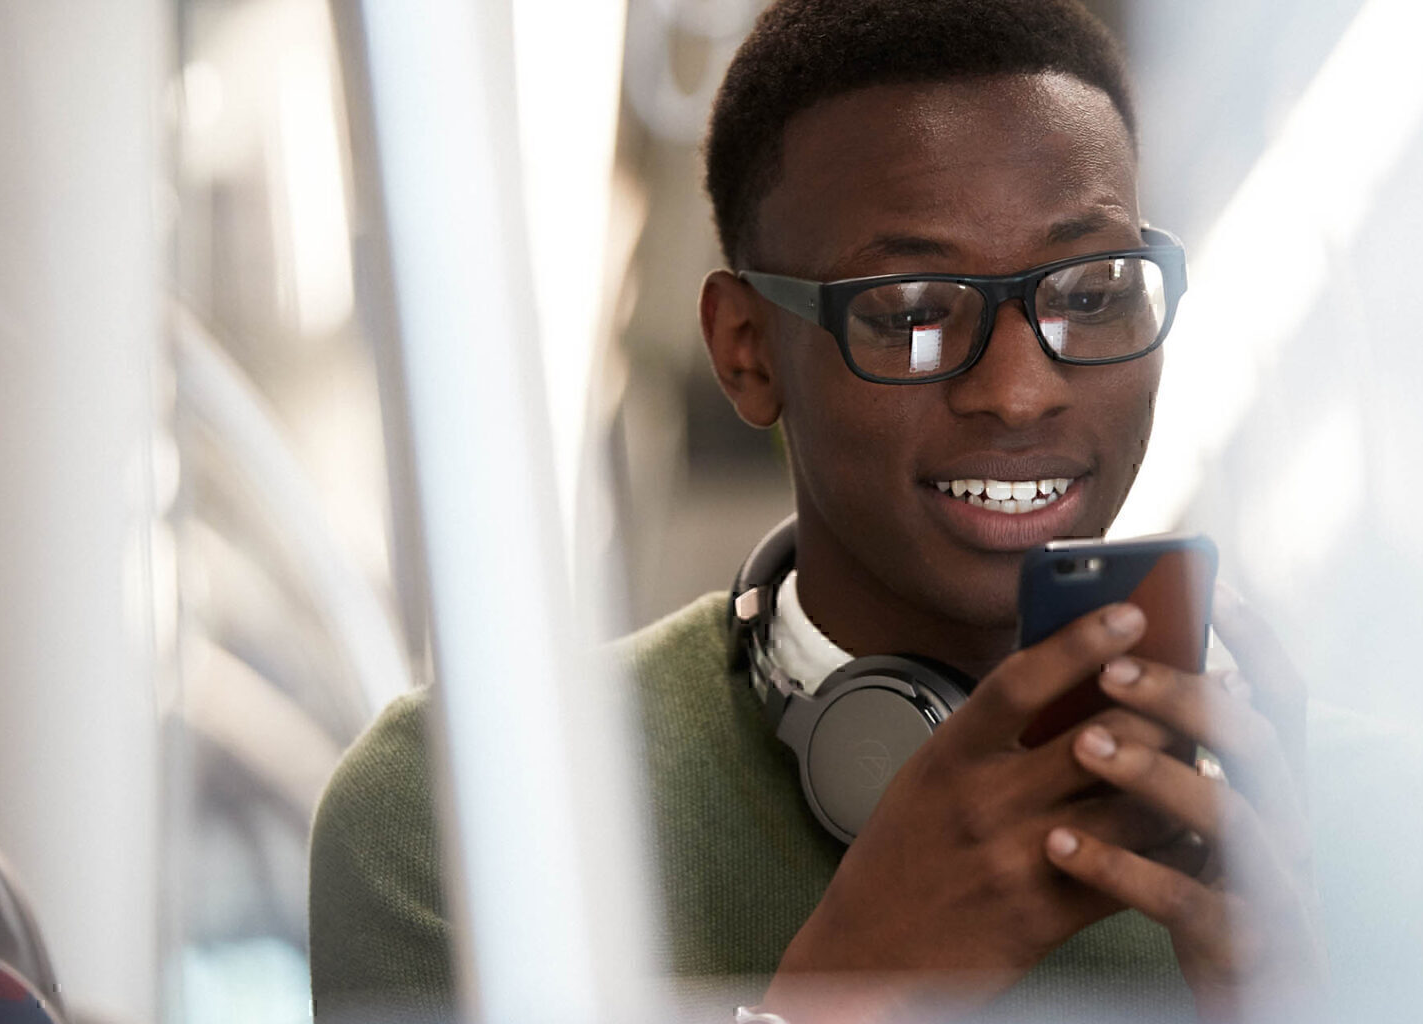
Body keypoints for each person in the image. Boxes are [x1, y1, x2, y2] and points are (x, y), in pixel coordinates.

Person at [308, 1, 1334, 1021]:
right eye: (913, 312)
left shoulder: (1394, 826)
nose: (1021, 392)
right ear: (748, 351)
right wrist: (842, 992)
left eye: (1095, 290)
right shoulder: (466, 816)